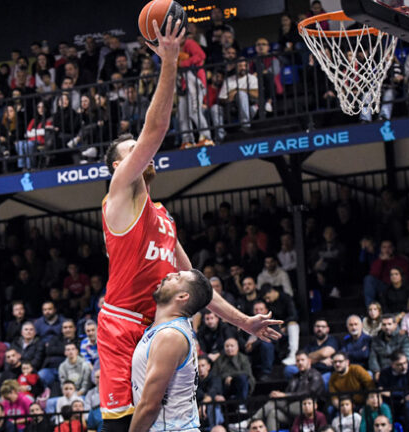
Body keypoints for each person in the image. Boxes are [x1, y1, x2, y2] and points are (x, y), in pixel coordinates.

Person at [98, 17, 280, 432]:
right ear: (118, 165)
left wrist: (244, 322)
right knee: (124, 424)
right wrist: (169, 60)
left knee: (163, 420)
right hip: (124, 323)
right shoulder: (120, 192)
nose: (145, 153)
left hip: (161, 324)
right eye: (133, 150)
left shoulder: (163, 216)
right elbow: (157, 127)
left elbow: (196, 283)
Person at [129, 269, 213, 432]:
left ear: (182, 297)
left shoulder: (170, 336)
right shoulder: (162, 329)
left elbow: (149, 406)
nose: (168, 275)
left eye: (177, 277)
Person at [250, 351, 324, 431]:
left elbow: (309, 392)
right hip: (291, 408)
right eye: (298, 361)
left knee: (274, 401)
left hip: (306, 406)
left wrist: (284, 395)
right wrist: (279, 394)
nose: (300, 362)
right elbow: (287, 392)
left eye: (302, 360)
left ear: (309, 361)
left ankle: (250, 421)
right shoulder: (295, 377)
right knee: (273, 413)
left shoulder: (315, 375)